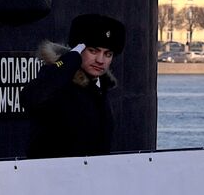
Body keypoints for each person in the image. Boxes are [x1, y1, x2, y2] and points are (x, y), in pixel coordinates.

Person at [23, 14, 126, 158]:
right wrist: (68, 61)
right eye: (93, 51)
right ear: (78, 50)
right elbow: (32, 98)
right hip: (54, 171)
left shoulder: (101, 90)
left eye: (107, 54)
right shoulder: (57, 82)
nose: (100, 60)